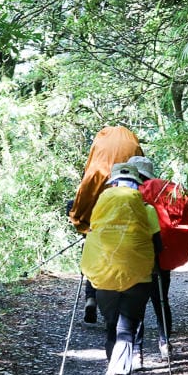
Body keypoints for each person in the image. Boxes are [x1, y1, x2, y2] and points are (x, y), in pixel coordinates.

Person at [79, 162, 161, 375]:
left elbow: (93, 236)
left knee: (111, 327)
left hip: (104, 276)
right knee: (127, 329)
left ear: (112, 184)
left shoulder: (101, 207)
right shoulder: (147, 210)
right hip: (138, 277)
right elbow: (158, 247)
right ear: (138, 184)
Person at [68, 126, 143, 324]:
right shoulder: (132, 144)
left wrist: (78, 218)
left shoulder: (96, 167)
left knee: (93, 248)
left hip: (97, 216)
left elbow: (84, 195)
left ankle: (91, 296)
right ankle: (121, 300)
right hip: (126, 216)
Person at [125, 155, 173, 362]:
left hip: (134, 257)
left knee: (137, 304)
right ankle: (165, 344)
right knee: (161, 301)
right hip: (160, 256)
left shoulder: (126, 193)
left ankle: (137, 352)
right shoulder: (163, 192)